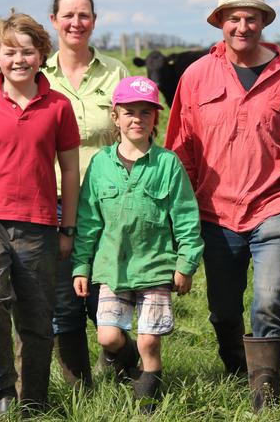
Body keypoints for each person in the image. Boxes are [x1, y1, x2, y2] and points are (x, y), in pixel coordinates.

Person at [164, 0, 280, 412]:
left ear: (264, 22)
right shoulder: (195, 76)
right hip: (214, 211)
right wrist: (180, 215)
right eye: (233, 18)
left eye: (251, 17)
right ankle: (235, 367)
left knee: (268, 299)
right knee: (223, 311)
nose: (242, 26)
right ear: (220, 23)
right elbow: (180, 147)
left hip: (275, 206)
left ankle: (265, 390)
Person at [0, 12, 80, 415]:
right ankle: (0, 387)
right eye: (10, 52)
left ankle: (34, 399)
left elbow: (70, 169)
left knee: (37, 316)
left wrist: (68, 227)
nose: (19, 59)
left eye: (28, 51)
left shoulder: (58, 107)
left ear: (42, 55)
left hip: (39, 223)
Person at [72, 76, 204, 413]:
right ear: (115, 117)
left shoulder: (167, 164)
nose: (137, 119)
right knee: (108, 337)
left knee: (149, 340)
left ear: (155, 118)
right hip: (111, 267)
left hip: (155, 265)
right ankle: (130, 366)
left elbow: (187, 217)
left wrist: (185, 263)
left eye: (146, 113)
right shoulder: (101, 164)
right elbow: (88, 219)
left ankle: (147, 400)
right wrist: (81, 265)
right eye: (129, 112)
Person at [41, 0, 130, 389]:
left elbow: (133, 132)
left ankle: (127, 366)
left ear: (94, 20)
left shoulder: (115, 71)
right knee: (64, 302)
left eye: (84, 15)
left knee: (106, 294)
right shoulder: (38, 73)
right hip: (52, 203)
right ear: (54, 20)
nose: (76, 22)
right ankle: (80, 388)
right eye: (68, 15)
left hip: (107, 203)